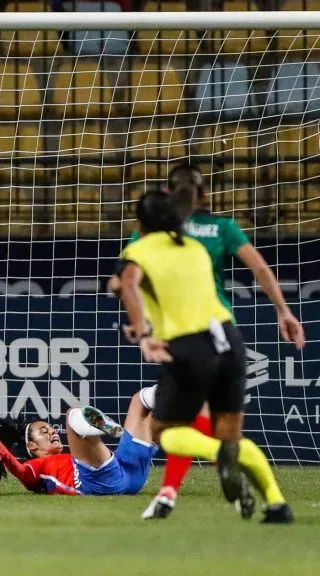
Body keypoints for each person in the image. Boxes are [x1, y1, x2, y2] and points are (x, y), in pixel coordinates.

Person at [118, 165, 305, 520]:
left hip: (185, 339)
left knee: (167, 430)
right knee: (227, 432)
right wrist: (283, 311)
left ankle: (175, 487)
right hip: (226, 333)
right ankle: (276, 504)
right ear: (205, 194)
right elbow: (261, 269)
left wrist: (142, 329)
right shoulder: (209, 238)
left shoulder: (146, 243)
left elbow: (127, 284)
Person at [0, 392, 157, 496]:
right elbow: (20, 472)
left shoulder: (68, 458)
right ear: (32, 447)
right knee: (72, 414)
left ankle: (180, 387)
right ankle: (101, 426)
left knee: (140, 401)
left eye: (51, 429)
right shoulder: (36, 466)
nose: (52, 432)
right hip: (100, 485)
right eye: (43, 432)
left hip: (129, 475)